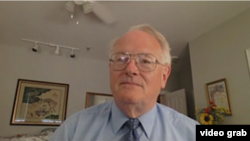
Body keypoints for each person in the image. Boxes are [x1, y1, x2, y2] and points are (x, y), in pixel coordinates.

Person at [48, 24, 199, 141]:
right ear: (110, 68)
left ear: (164, 76)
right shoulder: (73, 130)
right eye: (121, 59)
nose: (130, 69)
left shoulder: (191, 132)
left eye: (145, 61)